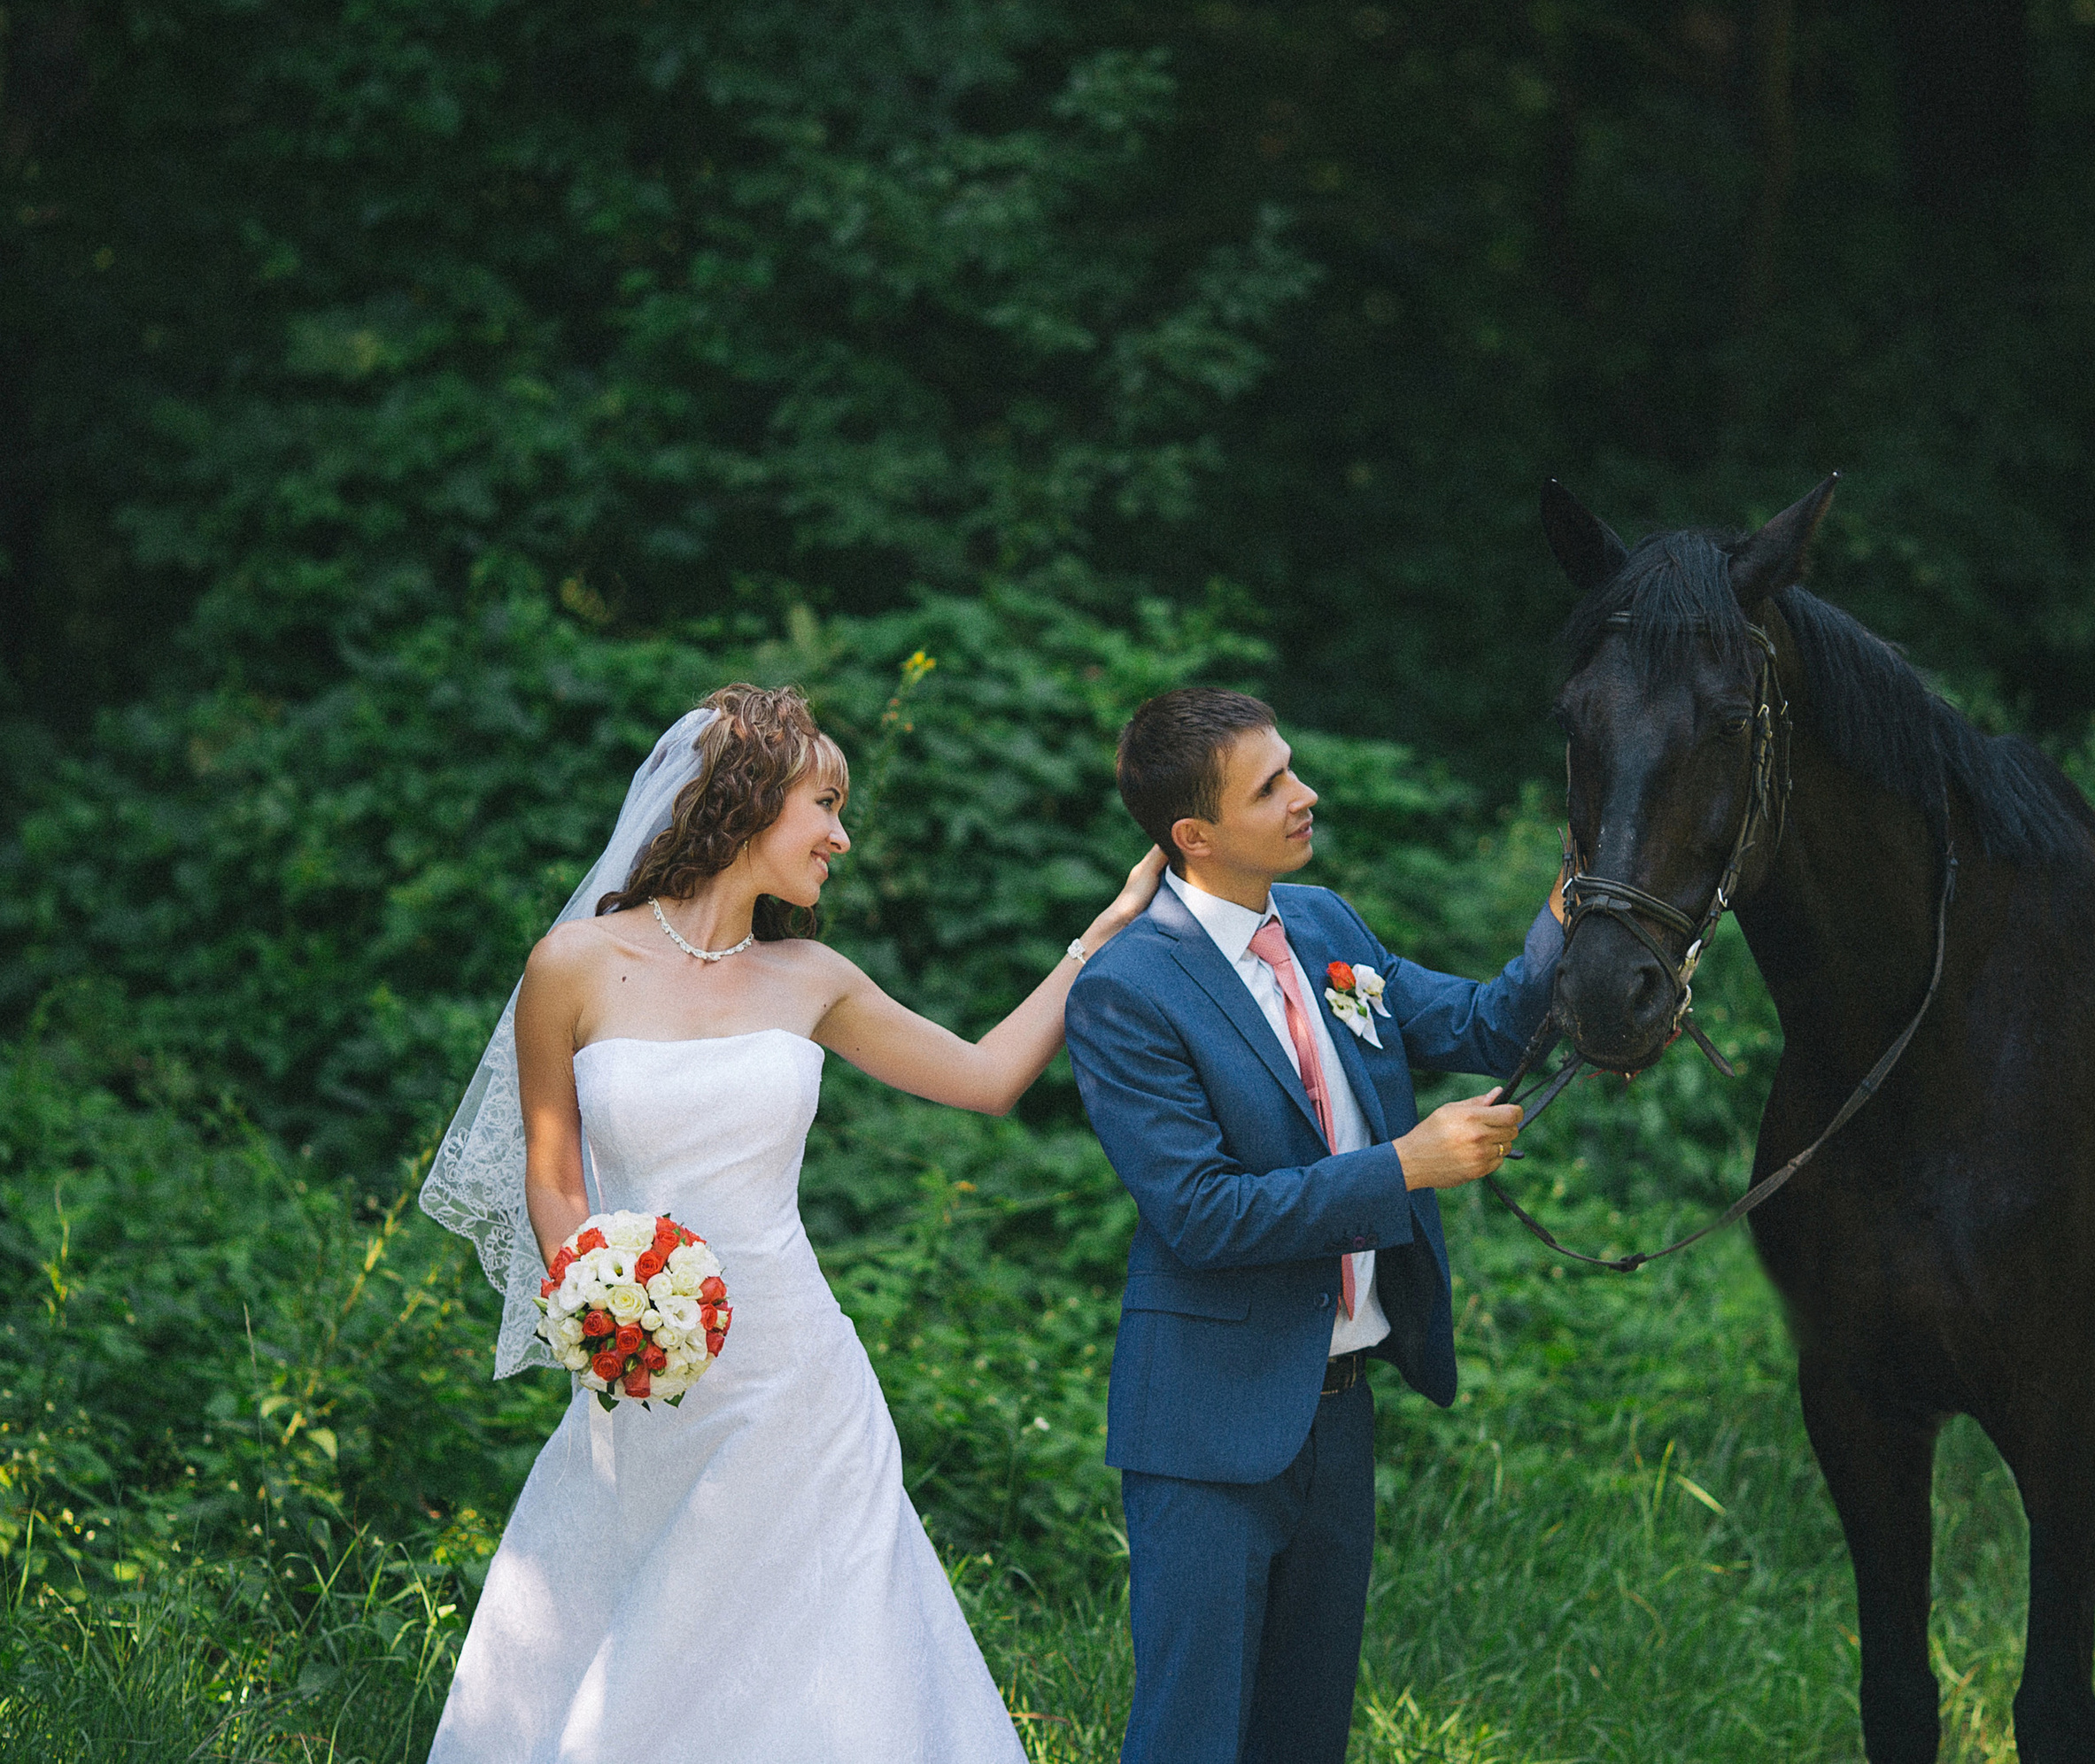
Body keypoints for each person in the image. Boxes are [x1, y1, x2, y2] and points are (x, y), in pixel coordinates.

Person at [420, 682, 1164, 1764]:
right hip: (646, 1375)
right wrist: (599, 1304)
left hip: (801, 1383)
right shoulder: (572, 966)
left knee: (823, 1652)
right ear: (748, 800)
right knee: (649, 1648)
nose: (841, 834)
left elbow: (988, 1075)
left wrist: (1095, 940)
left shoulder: (812, 977)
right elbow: (554, 1176)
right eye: (824, 803)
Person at [1063, 687, 1562, 1764]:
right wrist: (1404, 1167)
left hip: (1337, 1414)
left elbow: (1482, 1021)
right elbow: (1199, 1215)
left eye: (1290, 768)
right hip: (1204, 1427)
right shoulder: (1125, 991)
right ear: (1194, 836)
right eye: (1272, 785)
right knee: (1191, 1738)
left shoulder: (1327, 925)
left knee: (1305, 1735)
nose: (1306, 794)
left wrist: (1571, 914)